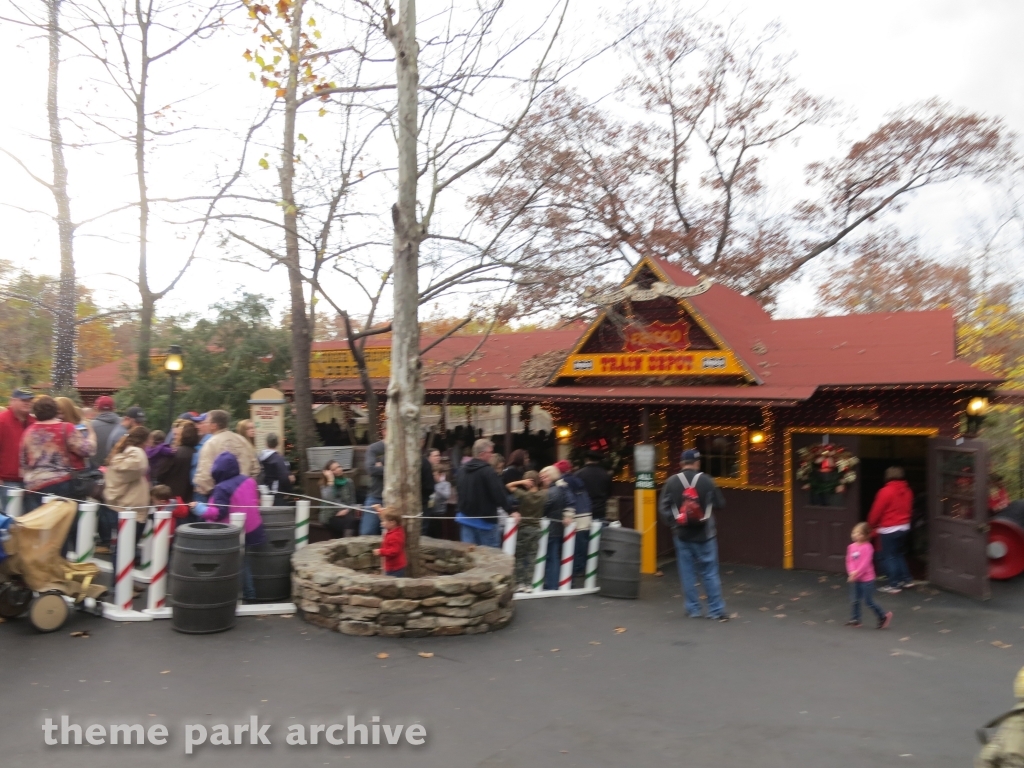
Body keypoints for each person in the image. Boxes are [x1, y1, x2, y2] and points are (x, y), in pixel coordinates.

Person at [657, 449, 728, 621]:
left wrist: (675, 522)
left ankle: (693, 609)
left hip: (682, 534)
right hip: (705, 533)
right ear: (697, 464)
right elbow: (720, 504)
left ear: (681, 464)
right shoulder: (707, 481)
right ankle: (715, 610)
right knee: (710, 572)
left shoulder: (671, 482)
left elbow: (663, 508)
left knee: (687, 572)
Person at [193, 452, 265, 601]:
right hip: (253, 526)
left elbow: (219, 512)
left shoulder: (222, 488)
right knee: (243, 561)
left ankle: (245, 594)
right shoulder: (250, 481)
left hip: (232, 531)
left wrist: (199, 508)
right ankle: (247, 593)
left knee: (235, 563)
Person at [20, 395, 96, 513]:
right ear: (55, 410)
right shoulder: (66, 428)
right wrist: (91, 436)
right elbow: (87, 450)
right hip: (62, 483)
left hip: (34, 486)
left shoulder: (28, 432)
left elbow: (23, 462)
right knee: (66, 527)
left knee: (40, 526)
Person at [455, 439, 510, 548]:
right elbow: (499, 494)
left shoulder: (462, 470)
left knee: (469, 557)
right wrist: (511, 510)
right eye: (490, 452)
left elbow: (459, 491)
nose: (492, 455)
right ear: (482, 454)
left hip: (465, 519)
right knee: (491, 558)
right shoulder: (488, 472)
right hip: (485, 523)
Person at [103, 426, 151, 550]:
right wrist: (138, 451)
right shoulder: (133, 455)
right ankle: (119, 569)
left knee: (123, 548)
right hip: (129, 509)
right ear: (144, 441)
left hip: (125, 507)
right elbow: (139, 465)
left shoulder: (122, 455)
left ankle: (120, 568)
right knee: (125, 549)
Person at [868, 466, 914, 594]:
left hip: (889, 528)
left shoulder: (885, 491)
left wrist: (870, 524)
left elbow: (876, 511)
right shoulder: (908, 490)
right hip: (904, 527)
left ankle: (894, 584)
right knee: (899, 554)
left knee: (889, 556)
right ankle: (906, 579)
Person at [193, 410, 261, 498]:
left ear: (214, 425)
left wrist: (212, 492)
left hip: (221, 496)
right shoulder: (242, 440)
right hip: (244, 494)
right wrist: (247, 486)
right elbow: (255, 468)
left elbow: (204, 476)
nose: (205, 424)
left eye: (207, 422)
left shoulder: (210, 444)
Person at [846, 521, 892, 629]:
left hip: (867, 579)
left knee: (868, 601)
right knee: (855, 599)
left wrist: (855, 574)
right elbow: (849, 561)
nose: (856, 535)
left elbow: (865, 563)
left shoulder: (868, 547)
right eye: (854, 532)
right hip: (855, 578)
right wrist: (851, 572)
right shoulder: (851, 547)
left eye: (859, 533)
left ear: (866, 535)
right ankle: (855, 619)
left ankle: (883, 616)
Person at [507, 470, 545, 590]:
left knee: (521, 556)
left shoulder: (523, 495)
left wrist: (521, 481)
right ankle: (529, 584)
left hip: (523, 528)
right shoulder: (544, 495)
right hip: (536, 529)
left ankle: (519, 583)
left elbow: (508, 486)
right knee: (532, 557)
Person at [0, 388, 36, 512]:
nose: (27, 403)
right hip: (8, 480)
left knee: (30, 520)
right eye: (23, 400)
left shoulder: (34, 423)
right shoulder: (2, 421)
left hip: (32, 481)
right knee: (11, 521)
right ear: (12, 401)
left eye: (30, 400)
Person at [538, 465, 572, 590]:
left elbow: (543, 508)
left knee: (550, 557)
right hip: (557, 527)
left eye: (544, 476)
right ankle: (552, 583)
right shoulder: (560, 488)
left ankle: (551, 583)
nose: (542, 479)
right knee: (553, 556)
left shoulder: (552, 491)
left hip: (550, 528)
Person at [156, 420, 198, 504]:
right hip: (189, 499)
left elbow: (160, 474)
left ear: (184, 436)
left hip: (171, 497)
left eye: (177, 435)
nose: (174, 437)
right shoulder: (197, 453)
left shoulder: (174, 453)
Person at [320, 459, 357, 538]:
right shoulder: (325, 485)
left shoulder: (348, 482)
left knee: (351, 521)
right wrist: (331, 481)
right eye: (334, 469)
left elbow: (353, 502)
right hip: (330, 516)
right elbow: (328, 499)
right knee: (348, 523)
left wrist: (346, 510)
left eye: (339, 467)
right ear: (329, 472)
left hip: (346, 513)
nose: (339, 469)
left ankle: (347, 543)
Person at [362, 424, 386, 535]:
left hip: (398, 498)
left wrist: (381, 466)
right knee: (367, 533)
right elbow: (371, 469)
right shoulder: (374, 448)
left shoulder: (402, 448)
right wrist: (391, 470)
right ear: (384, 431)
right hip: (376, 496)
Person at [574, 451, 612, 522]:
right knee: (599, 532)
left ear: (587, 459)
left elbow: (573, 493)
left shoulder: (578, 474)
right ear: (599, 460)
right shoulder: (605, 474)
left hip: (582, 512)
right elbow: (609, 493)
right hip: (600, 511)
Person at [258, 433, 293, 504]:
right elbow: (284, 477)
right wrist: (288, 491)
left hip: (261, 491)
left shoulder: (259, 457)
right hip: (275, 492)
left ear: (266, 443)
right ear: (278, 444)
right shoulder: (278, 459)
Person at [373, 507, 407, 577]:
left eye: (383, 521)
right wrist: (379, 510)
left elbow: (394, 551)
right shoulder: (396, 528)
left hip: (394, 568)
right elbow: (387, 517)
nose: (381, 523)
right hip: (393, 566)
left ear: (392, 523)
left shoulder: (395, 536)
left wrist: (381, 551)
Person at [88, 396, 120, 469]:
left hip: (96, 470)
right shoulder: (124, 424)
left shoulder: (90, 425)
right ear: (113, 408)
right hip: (119, 468)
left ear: (97, 408)